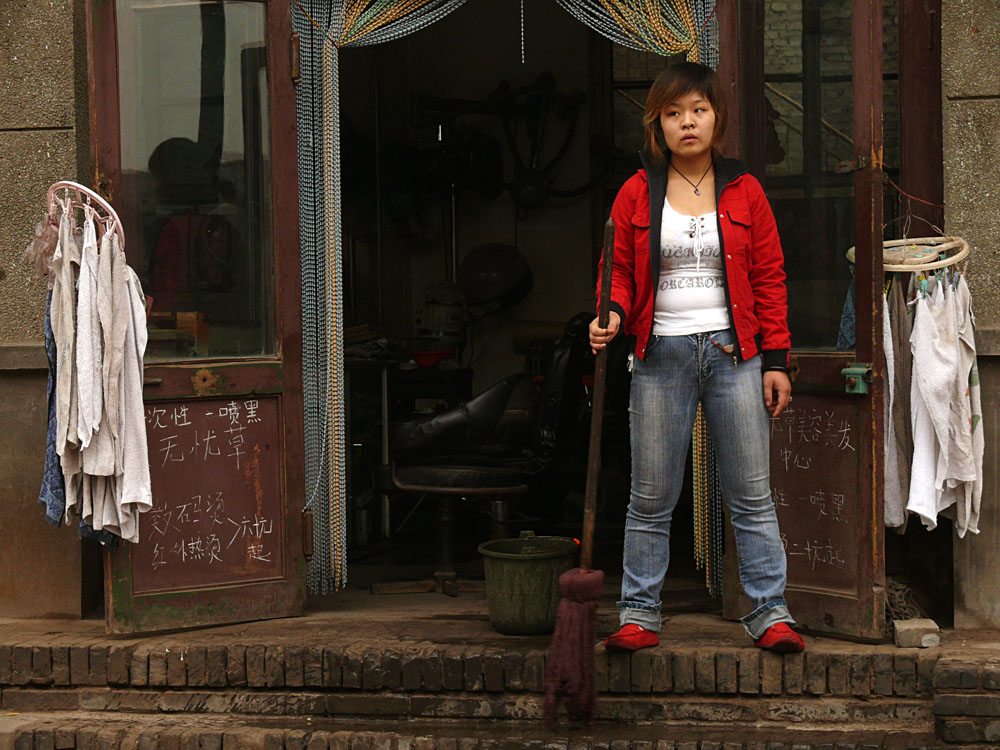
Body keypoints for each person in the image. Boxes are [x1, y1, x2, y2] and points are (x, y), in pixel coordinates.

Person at [590, 62, 804, 654]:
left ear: (717, 118)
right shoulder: (637, 189)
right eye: (674, 112)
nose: (688, 122)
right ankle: (639, 614)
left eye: (699, 111)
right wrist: (609, 311)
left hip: (733, 354)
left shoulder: (745, 189)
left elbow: (769, 277)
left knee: (751, 494)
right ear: (658, 121)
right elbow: (619, 269)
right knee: (651, 497)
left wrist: (777, 360)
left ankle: (769, 613)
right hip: (659, 355)